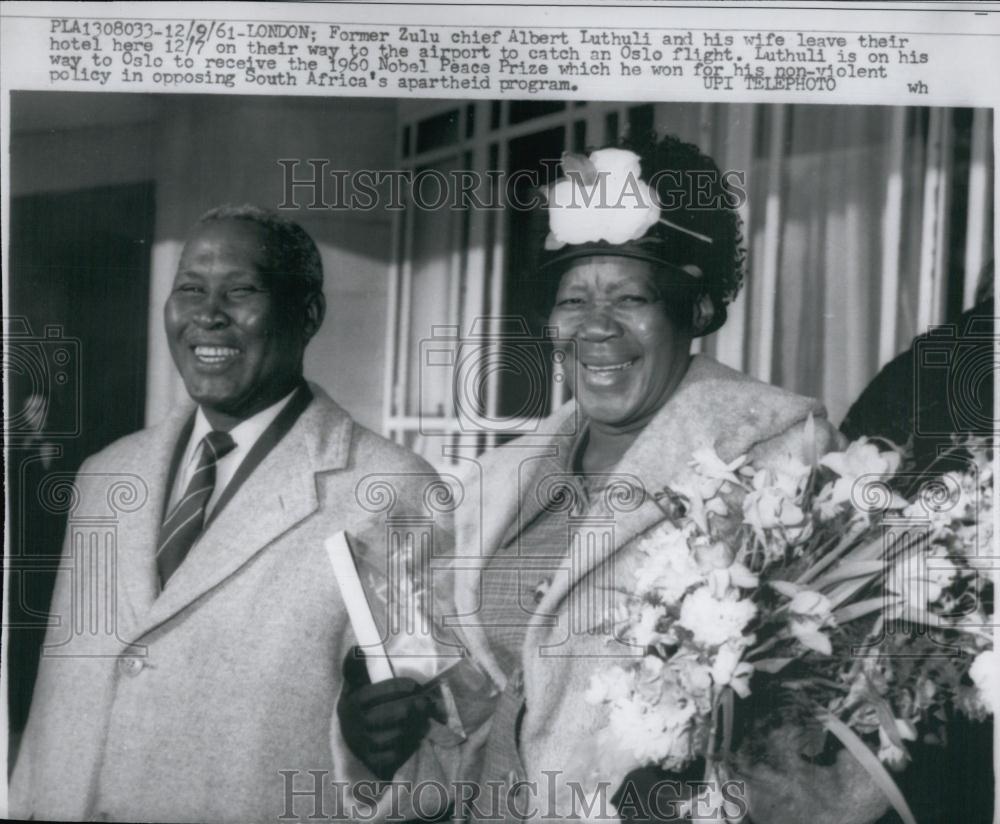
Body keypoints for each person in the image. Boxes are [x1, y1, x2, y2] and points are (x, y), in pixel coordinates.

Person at [448, 135, 889, 823]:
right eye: (572, 301)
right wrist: (380, 740)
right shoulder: (499, 481)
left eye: (630, 298)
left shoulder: (785, 463)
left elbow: (862, 722)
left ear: (699, 310)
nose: (595, 327)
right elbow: (468, 708)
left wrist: (711, 802)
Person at [9, 205, 453, 822]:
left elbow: (436, 744)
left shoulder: (392, 489)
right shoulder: (106, 476)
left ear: (309, 314)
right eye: (190, 289)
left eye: (241, 291)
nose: (208, 314)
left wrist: (373, 755)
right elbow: (59, 703)